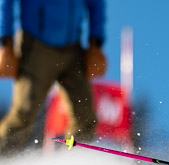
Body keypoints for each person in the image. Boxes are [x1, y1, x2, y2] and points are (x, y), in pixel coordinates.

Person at [0, 0, 107, 155]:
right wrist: (5, 41)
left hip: (73, 48)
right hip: (36, 47)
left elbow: (96, 3)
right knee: (24, 113)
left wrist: (96, 43)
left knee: (84, 116)